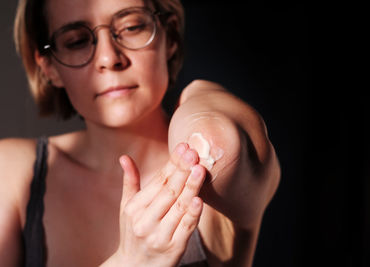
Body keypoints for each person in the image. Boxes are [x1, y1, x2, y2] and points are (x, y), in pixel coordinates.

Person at [0, 0, 281, 266]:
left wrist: (203, 98)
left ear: (169, 37)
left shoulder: (209, 179)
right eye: (77, 41)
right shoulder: (12, 172)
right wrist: (130, 261)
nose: (109, 58)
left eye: (132, 27)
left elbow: (221, 144)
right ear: (49, 66)